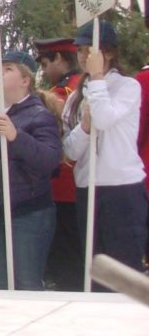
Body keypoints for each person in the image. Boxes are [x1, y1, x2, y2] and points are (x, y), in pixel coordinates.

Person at [62, 21, 148, 286]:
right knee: (96, 270)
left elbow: (105, 117)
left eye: (91, 50)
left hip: (121, 189)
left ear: (108, 53)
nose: (85, 56)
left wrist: (97, 78)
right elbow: (70, 150)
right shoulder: (75, 95)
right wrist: (84, 128)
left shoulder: (127, 86)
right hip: (89, 187)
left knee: (123, 271)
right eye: (81, 50)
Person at [0, 51, 62, 290]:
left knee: (27, 283)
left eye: (8, 68)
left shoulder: (39, 115)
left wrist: (16, 137)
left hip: (27, 213)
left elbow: (50, 160)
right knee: (3, 283)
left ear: (25, 80)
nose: (0, 73)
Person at [35, 37, 84, 291]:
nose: (44, 70)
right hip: (74, 186)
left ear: (58, 59)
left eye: (45, 63)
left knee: (68, 265)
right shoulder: (79, 87)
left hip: (65, 186)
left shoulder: (66, 93)